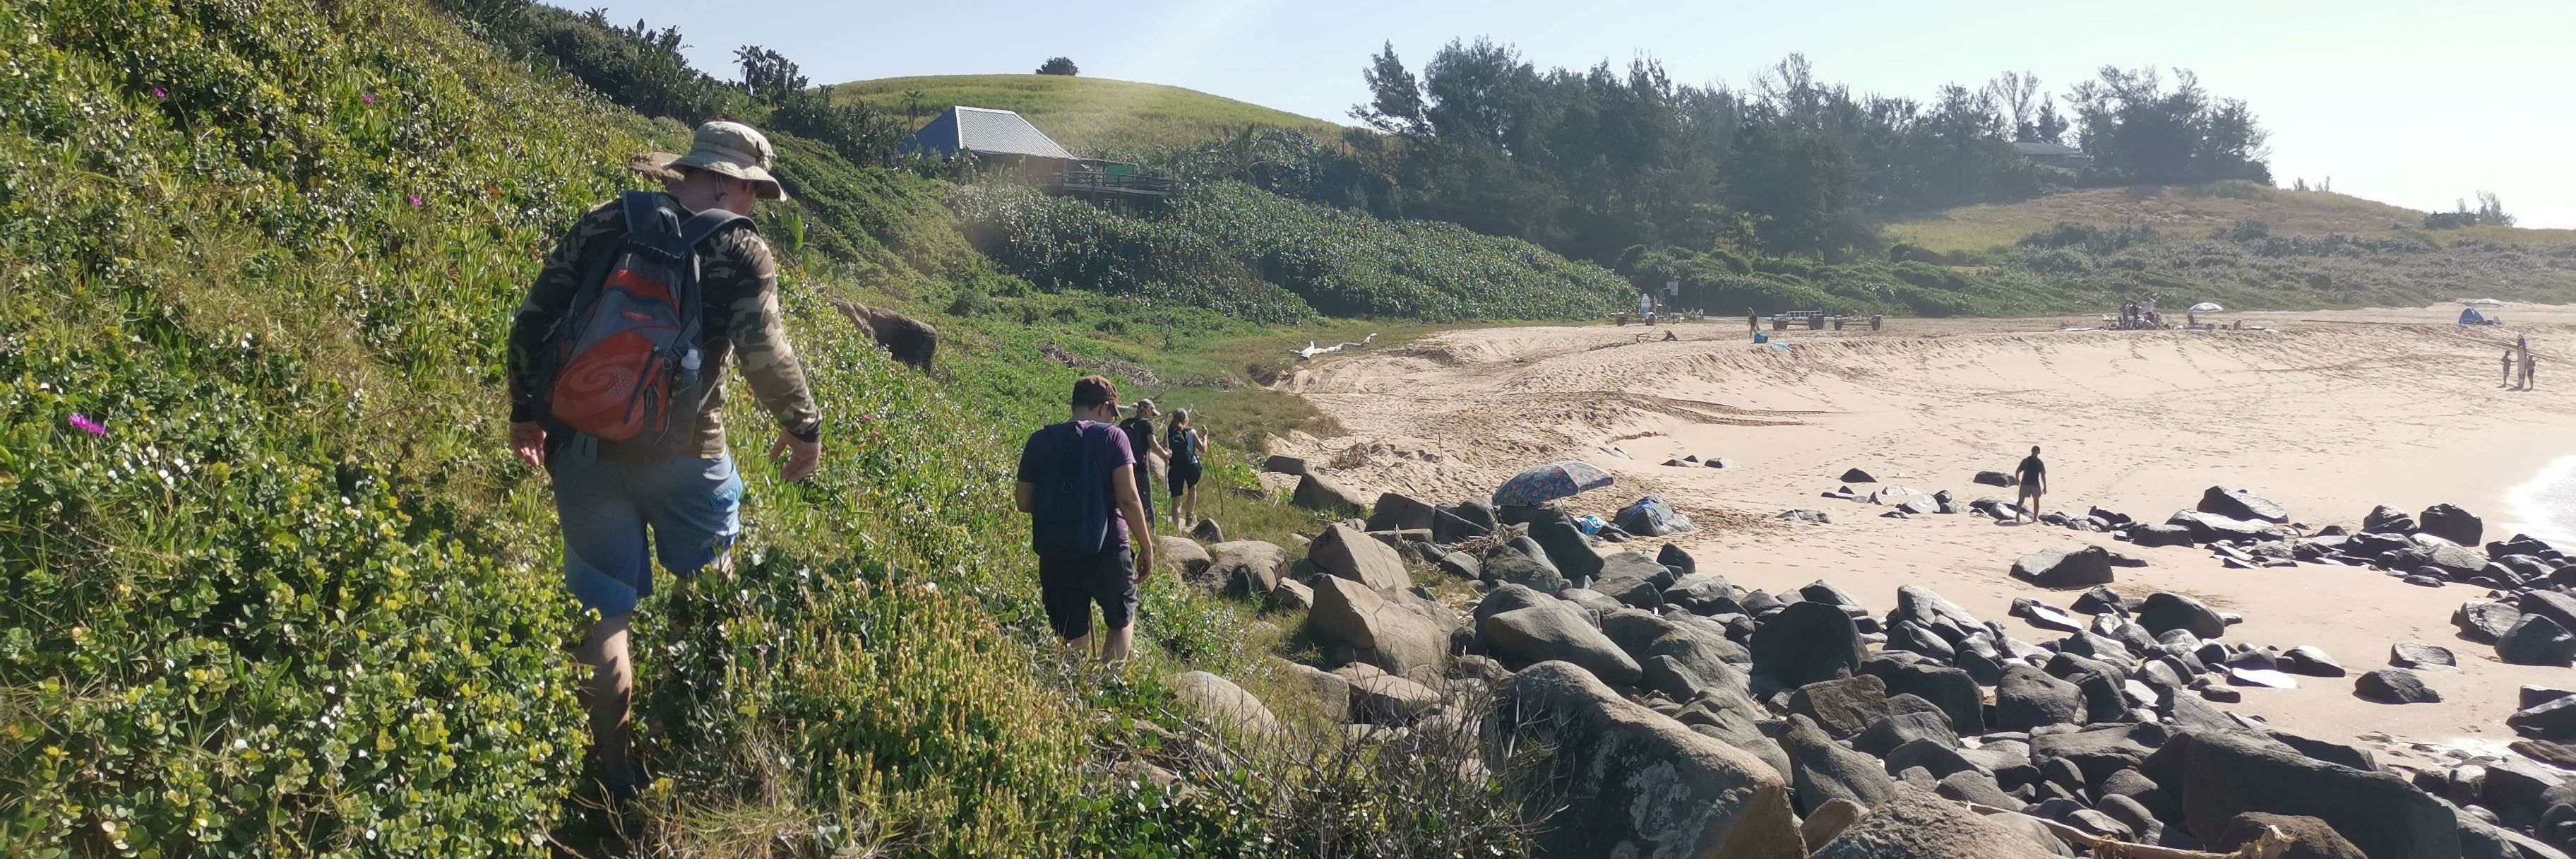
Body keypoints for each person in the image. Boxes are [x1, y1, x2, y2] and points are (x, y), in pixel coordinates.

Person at [505, 119, 821, 805]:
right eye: (753, 192)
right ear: (733, 181)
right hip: (687, 455)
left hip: (585, 451)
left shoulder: (607, 221)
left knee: (604, 617)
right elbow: (767, 355)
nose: (753, 206)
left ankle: (615, 774)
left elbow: (533, 322)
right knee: (710, 599)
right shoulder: (739, 247)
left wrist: (524, 414)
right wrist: (805, 430)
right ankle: (687, 752)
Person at [1015, 376, 1155, 662]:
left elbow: (1024, 502)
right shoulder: (1113, 437)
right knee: (1121, 619)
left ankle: (1077, 695)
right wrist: (1147, 546)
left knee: (1072, 636)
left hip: (1056, 554)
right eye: (1113, 413)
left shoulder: (1040, 441)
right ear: (1105, 407)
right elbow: (1128, 498)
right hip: (1108, 550)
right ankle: (1106, 686)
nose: (1114, 420)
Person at [1116, 399, 1168, 523]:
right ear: (1148, 410)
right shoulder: (1147, 424)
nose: (1152, 416)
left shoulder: (1125, 423)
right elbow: (1154, 445)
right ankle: (1151, 531)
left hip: (1123, 467)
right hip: (1140, 467)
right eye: (1152, 413)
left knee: (1125, 499)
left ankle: (1127, 527)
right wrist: (1166, 454)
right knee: (1146, 500)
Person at [1166, 408, 1208, 531]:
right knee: (1192, 487)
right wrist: (1205, 436)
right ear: (1186, 420)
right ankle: (1189, 516)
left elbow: (1165, 450)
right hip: (1192, 466)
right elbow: (1203, 449)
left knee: (1176, 499)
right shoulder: (1192, 432)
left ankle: (1176, 528)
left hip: (1175, 468)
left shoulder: (1168, 433)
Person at [2015, 446, 2048, 523]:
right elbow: (2043, 475)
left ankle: (2018, 514)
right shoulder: (2039, 462)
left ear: (2032, 451)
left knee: (2021, 501)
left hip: (2025, 484)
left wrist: (2017, 479)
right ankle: (2035, 518)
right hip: (2034, 485)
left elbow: (2018, 471)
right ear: (2039, 452)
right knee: (2036, 502)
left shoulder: (2026, 461)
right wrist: (2045, 487)